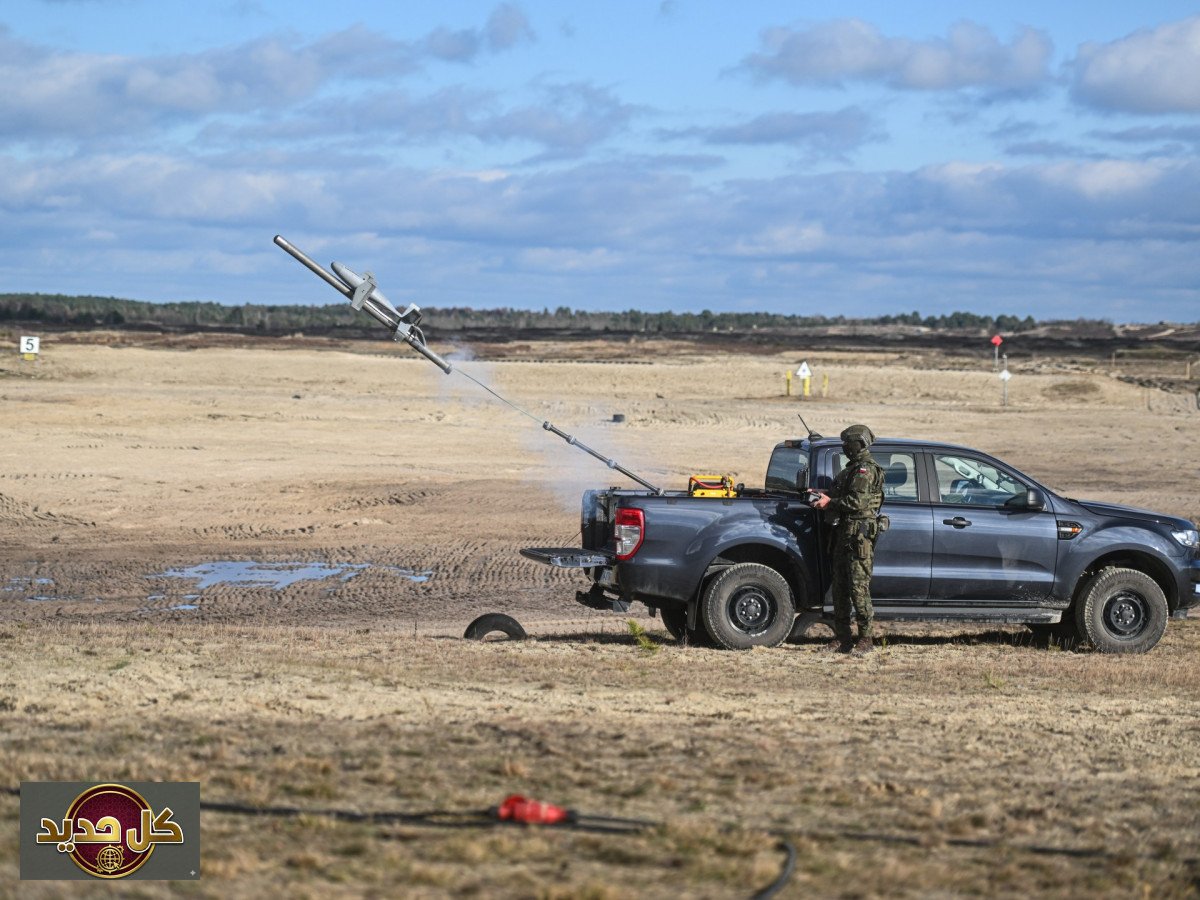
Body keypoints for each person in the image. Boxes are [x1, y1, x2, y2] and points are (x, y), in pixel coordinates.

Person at [808, 424, 885, 654]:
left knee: (858, 589)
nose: (844, 447)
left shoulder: (865, 470)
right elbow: (844, 495)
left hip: (859, 536)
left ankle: (866, 639)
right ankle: (843, 638)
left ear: (857, 444)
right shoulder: (850, 470)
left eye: (847, 443)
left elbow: (857, 502)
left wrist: (829, 503)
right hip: (844, 534)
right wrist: (823, 495)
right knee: (840, 590)